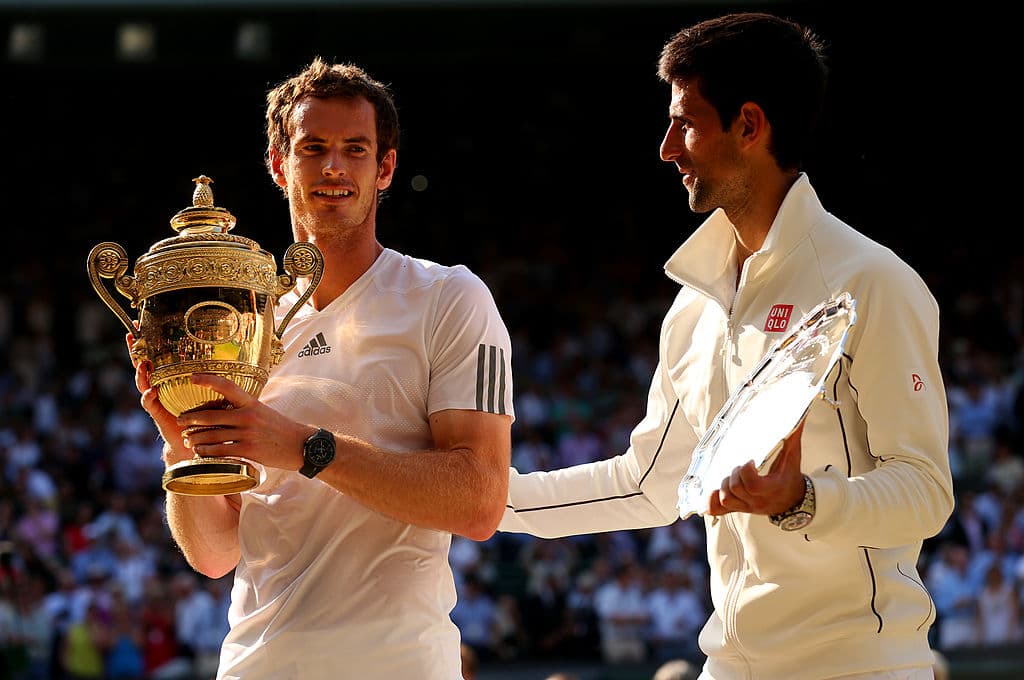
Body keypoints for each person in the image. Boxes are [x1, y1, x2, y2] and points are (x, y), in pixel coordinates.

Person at [499, 12, 953, 680]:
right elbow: (651, 485)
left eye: (684, 122)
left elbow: (925, 492)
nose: (666, 148)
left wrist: (803, 499)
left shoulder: (873, 281)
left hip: (861, 666)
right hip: (728, 666)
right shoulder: (694, 306)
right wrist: (482, 499)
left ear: (749, 124)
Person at [128, 58, 514, 679]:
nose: (334, 167)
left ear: (384, 168)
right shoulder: (242, 330)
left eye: (354, 149)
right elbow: (215, 553)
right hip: (257, 664)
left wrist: (309, 449)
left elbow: (480, 500)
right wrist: (183, 450)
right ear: (279, 165)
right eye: (314, 148)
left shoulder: (450, 297)